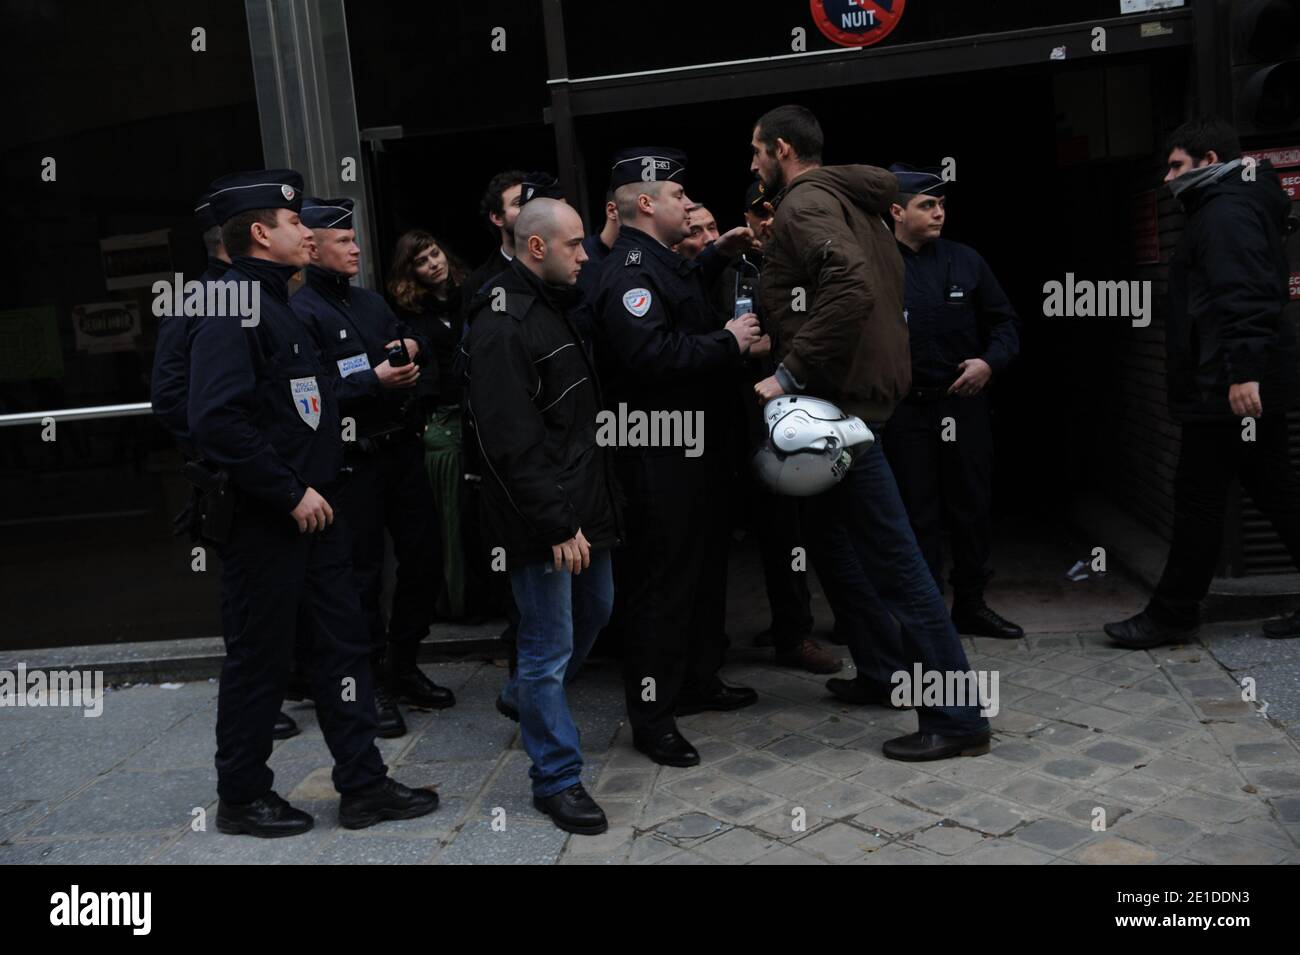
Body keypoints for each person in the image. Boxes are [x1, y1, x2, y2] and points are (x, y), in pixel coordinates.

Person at [189, 170, 438, 835]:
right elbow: (218, 419)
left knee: (342, 651)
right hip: (268, 522)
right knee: (260, 661)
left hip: (319, 513)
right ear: (262, 233)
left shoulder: (280, 301)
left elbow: (307, 397)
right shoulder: (230, 305)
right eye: (296, 222)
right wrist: (288, 489)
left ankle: (363, 783)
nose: (309, 230)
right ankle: (242, 795)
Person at [750, 106, 991, 761]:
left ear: (780, 149)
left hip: (839, 411)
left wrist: (788, 370)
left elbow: (850, 286)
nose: (752, 165)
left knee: (901, 569)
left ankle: (957, 714)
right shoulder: (852, 200)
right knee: (833, 546)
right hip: (862, 402)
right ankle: (884, 669)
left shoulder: (805, 206)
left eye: (756, 152)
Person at [593, 148, 763, 767]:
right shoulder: (629, 273)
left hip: (696, 450)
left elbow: (683, 292)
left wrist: (717, 253)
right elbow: (651, 358)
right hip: (659, 453)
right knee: (662, 587)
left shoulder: (667, 263)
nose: (688, 207)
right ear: (646, 203)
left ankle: (697, 680)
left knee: (702, 573)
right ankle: (653, 716)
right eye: (678, 198)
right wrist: (728, 341)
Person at [1106, 116, 1300, 648]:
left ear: (1209, 162)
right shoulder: (1229, 204)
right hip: (1232, 382)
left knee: (1199, 497)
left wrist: (1244, 375)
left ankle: (1173, 613)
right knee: (1273, 488)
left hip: (1227, 389)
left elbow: (1242, 295)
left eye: (1176, 166)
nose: (1168, 179)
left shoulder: (1225, 212)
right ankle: (1175, 611)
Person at [463, 197, 622, 835]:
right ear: (537, 248)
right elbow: (511, 442)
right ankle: (556, 778)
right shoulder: (503, 324)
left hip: (582, 503)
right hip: (541, 518)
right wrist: (556, 524)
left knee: (597, 610)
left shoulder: (554, 304)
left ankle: (522, 698)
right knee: (548, 646)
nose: (585, 256)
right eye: (575, 245)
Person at [290, 198, 456, 738]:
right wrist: (371, 383)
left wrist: (413, 347)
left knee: (425, 559)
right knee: (361, 578)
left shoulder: (370, 302)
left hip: (402, 452)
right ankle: (369, 683)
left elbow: (408, 351)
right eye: (344, 241)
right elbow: (307, 398)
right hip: (353, 462)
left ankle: (402, 664)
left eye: (356, 239)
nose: (356, 247)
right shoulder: (301, 313)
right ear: (312, 248)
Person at [151, 188, 298, 741]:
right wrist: (228, 453)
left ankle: (296, 683)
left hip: (275, 478)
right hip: (239, 483)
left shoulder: (268, 295)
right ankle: (262, 704)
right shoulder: (205, 301)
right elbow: (172, 399)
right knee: (249, 611)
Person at [675, 201, 836, 674]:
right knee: (705, 539)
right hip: (700, 429)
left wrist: (760, 344)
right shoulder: (671, 281)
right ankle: (706, 644)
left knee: (783, 529)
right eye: (696, 229)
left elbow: (791, 331)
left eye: (711, 226)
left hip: (759, 416)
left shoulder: (749, 271)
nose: (706, 236)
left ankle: (794, 633)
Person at [885, 164, 1023, 640]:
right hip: (904, 411)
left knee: (971, 506)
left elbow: (1005, 324)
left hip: (961, 405)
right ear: (896, 210)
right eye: (928, 205)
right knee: (914, 512)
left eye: (942, 205)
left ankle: (970, 604)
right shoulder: (873, 265)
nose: (940, 213)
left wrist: (989, 363)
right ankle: (922, 617)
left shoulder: (966, 260)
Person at [387, 230, 480, 621]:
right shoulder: (409, 315)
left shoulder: (476, 293)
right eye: (422, 261)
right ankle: (461, 605)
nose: (434, 264)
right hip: (441, 420)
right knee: (451, 518)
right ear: (412, 273)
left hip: (481, 412)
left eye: (435, 254)